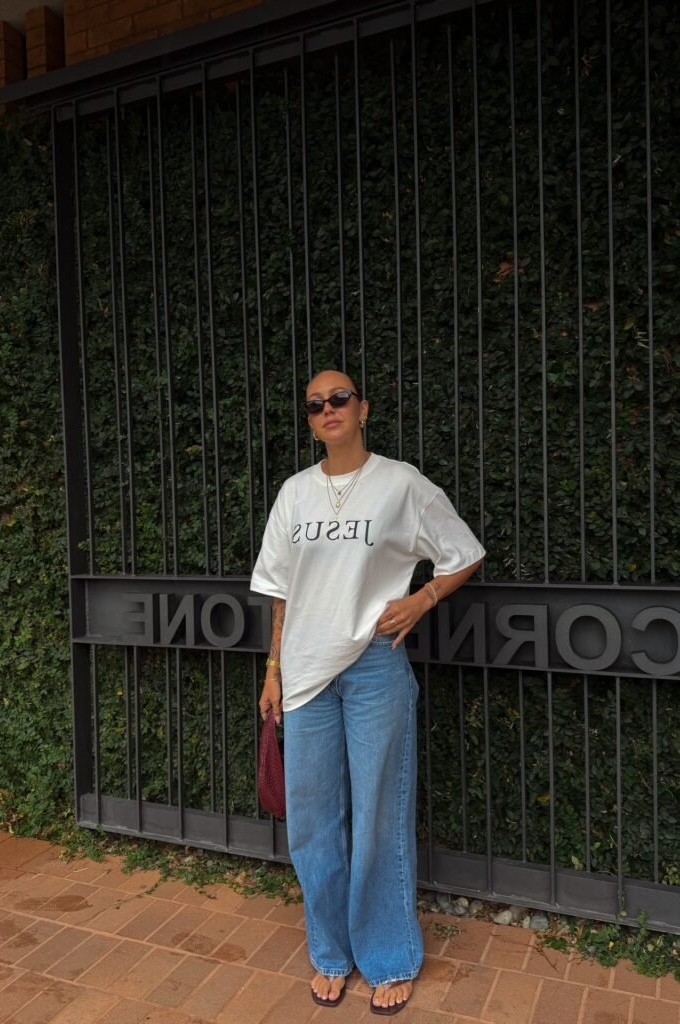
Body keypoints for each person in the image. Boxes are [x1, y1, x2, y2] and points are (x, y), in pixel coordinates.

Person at [250, 369, 484, 1015]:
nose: (327, 409)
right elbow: (282, 593)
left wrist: (424, 597)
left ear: (362, 409)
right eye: (315, 404)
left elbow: (463, 551)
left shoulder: (400, 483)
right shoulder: (294, 494)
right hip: (303, 676)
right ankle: (330, 953)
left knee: (379, 817)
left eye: (339, 399)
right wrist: (272, 670)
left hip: (375, 668)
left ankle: (387, 957)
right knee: (313, 827)